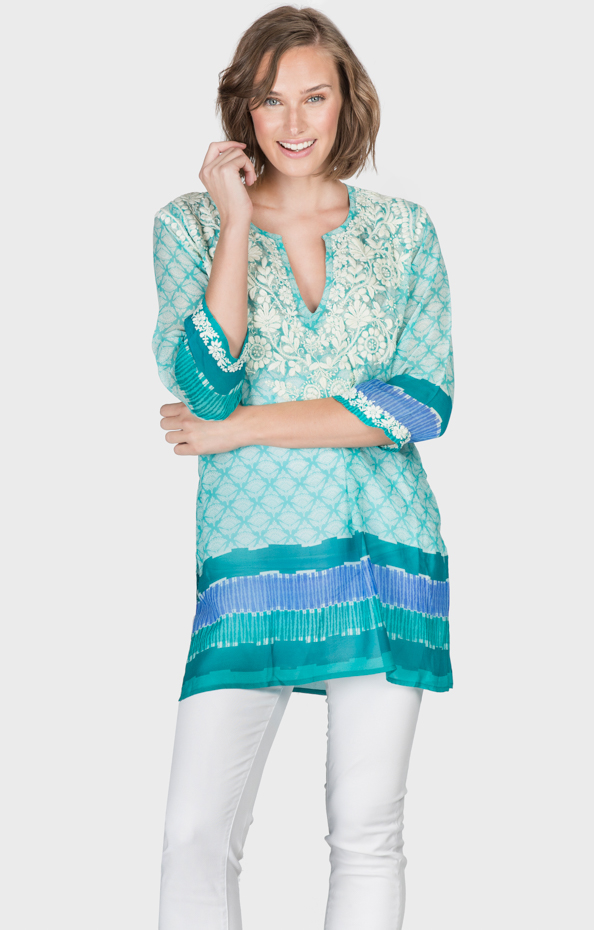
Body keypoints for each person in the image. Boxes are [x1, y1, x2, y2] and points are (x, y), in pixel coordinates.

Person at [151, 6, 454, 929]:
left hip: (382, 551)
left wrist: (244, 429)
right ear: (243, 109)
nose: (292, 122)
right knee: (196, 835)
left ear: (345, 101)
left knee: (366, 831)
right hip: (251, 556)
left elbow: (420, 405)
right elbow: (205, 384)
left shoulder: (403, 231)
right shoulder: (188, 226)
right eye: (271, 100)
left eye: (314, 97)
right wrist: (236, 222)